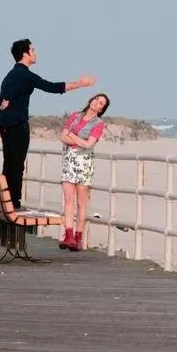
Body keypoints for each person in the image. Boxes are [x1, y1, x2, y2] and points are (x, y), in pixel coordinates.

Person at [0, 38, 95, 209]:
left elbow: (0, 101)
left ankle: (6, 201)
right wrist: (80, 84)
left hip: (5, 124)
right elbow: (51, 87)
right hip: (17, 124)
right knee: (16, 165)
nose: (35, 53)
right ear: (25, 54)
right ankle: (14, 203)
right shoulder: (25, 75)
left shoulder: (10, 75)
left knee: (9, 163)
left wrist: (1, 106)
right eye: (32, 50)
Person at [59, 93, 110, 251]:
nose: (97, 103)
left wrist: (72, 136)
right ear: (91, 100)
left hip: (84, 163)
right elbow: (63, 136)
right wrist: (77, 140)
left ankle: (78, 237)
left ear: (102, 109)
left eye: (101, 103)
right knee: (68, 199)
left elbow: (89, 145)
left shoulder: (99, 124)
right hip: (69, 160)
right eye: (96, 99)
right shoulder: (75, 116)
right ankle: (68, 234)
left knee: (81, 202)